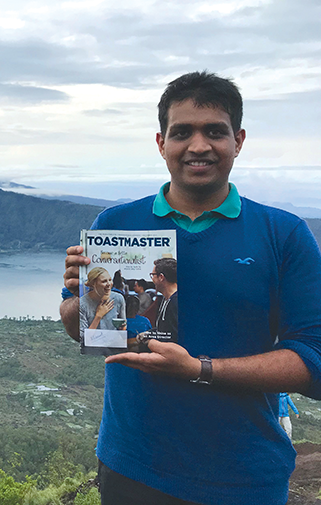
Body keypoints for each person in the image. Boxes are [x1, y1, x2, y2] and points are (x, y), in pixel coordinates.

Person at [59, 71, 321, 505]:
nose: (198, 146)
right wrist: (82, 297)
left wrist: (200, 369)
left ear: (238, 140)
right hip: (131, 467)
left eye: (214, 132)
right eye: (182, 132)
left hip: (244, 475)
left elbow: (315, 357)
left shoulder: (283, 234)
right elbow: (81, 329)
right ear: (162, 143)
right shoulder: (116, 225)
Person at [79, 267, 126, 335]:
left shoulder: (118, 298)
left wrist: (122, 328)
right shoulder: (82, 304)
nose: (109, 284)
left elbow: (123, 331)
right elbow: (84, 338)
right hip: (92, 344)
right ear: (93, 284)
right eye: (104, 281)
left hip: (113, 343)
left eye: (110, 280)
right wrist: (98, 316)